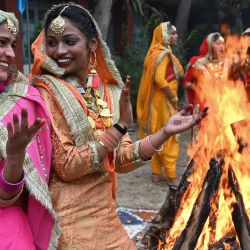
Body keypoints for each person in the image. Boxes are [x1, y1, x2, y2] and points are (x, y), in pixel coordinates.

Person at [30, 3, 207, 249]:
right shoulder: (47, 92)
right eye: (52, 43)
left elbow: (121, 160)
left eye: (70, 41)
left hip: (106, 216)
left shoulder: (108, 90)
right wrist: (118, 128)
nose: (60, 51)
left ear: (92, 44)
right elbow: (67, 165)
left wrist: (163, 133)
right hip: (68, 222)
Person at [0, 10, 60, 249]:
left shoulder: (21, 102)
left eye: (12, 44)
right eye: (1, 43)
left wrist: (15, 158)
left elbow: (5, 199)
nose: (11, 54)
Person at [137, 22, 184, 186]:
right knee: (170, 137)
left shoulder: (153, 54)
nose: (175, 36)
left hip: (155, 104)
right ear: (164, 36)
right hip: (165, 103)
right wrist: (173, 97)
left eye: (175, 33)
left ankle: (156, 174)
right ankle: (171, 177)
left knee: (157, 135)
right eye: (172, 33)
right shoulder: (163, 55)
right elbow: (159, 79)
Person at [183, 32, 226, 110]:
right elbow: (186, 83)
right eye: (218, 44)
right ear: (210, 45)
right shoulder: (197, 63)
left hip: (222, 105)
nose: (221, 47)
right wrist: (196, 87)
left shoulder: (226, 62)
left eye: (223, 44)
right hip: (203, 105)